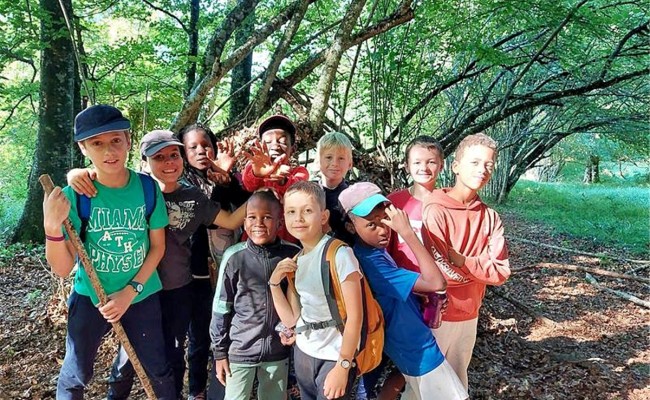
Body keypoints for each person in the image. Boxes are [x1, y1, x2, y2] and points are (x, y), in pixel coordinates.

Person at [91, 130, 248, 399]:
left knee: (174, 352)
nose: (168, 163)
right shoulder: (135, 190)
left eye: (173, 155)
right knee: (129, 354)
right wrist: (79, 175)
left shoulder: (193, 198)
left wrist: (261, 194)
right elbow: (96, 182)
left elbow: (231, 222)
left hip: (177, 287)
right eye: (159, 157)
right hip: (137, 290)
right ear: (145, 162)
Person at [42, 105, 175, 399]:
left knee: (157, 369)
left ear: (128, 140)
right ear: (83, 147)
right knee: (77, 372)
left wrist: (130, 291)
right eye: (97, 143)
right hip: (92, 296)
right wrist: (51, 226)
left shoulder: (147, 189)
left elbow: (157, 247)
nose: (108, 151)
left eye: (116, 140)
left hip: (141, 295)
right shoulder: (74, 196)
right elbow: (63, 268)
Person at [340, 182, 468, 400]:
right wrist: (407, 232)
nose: (383, 231)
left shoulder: (374, 252)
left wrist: (419, 298)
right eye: (372, 225)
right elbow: (437, 283)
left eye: (386, 221)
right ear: (352, 227)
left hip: (408, 342)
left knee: (401, 385)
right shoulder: (371, 262)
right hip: (416, 346)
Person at [421, 133, 511, 390]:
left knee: (457, 381)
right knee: (427, 388)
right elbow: (439, 273)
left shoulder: (490, 217)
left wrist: (463, 260)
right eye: (474, 162)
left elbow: (501, 272)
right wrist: (481, 266)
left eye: (489, 165)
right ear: (456, 166)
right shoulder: (436, 209)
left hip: (470, 314)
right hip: (437, 314)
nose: (482, 170)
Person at [269, 181, 362, 400]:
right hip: (304, 354)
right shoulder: (296, 260)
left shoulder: (339, 254)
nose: (298, 218)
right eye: (291, 212)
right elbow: (292, 319)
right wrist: (274, 284)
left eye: (307, 211)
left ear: (323, 216)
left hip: (334, 356)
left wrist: (343, 366)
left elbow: (356, 317)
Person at [177, 123, 250, 400]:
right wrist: (222, 181)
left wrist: (227, 179)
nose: (200, 151)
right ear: (183, 152)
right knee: (199, 337)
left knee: (227, 333)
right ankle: (197, 391)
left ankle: (224, 389)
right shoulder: (181, 183)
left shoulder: (224, 178)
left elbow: (247, 205)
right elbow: (208, 217)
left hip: (228, 271)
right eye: (192, 146)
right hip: (194, 274)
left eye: (205, 145)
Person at [210, 190, 300, 400]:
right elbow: (221, 308)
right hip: (240, 350)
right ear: (243, 221)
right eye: (251, 217)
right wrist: (220, 353)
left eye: (267, 217)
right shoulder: (234, 257)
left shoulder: (292, 255)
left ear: (280, 223)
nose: (258, 223)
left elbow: (301, 301)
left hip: (278, 351)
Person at [387, 136, 444, 273]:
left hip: (440, 284)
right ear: (407, 166)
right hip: (406, 283)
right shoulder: (394, 202)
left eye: (431, 162)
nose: (424, 168)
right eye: (417, 162)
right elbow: (385, 248)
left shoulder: (447, 204)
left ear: (441, 166)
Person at [242, 114, 309, 197]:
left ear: (293, 149)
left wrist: (282, 180)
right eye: (268, 142)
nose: (275, 146)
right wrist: (256, 174)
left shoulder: (300, 172)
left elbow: (298, 190)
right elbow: (248, 185)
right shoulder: (255, 166)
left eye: (282, 142)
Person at [315, 132, 355, 245]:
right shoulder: (308, 193)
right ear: (317, 161)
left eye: (341, 158)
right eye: (328, 157)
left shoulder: (354, 196)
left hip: (347, 253)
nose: (335, 163)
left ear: (350, 163)